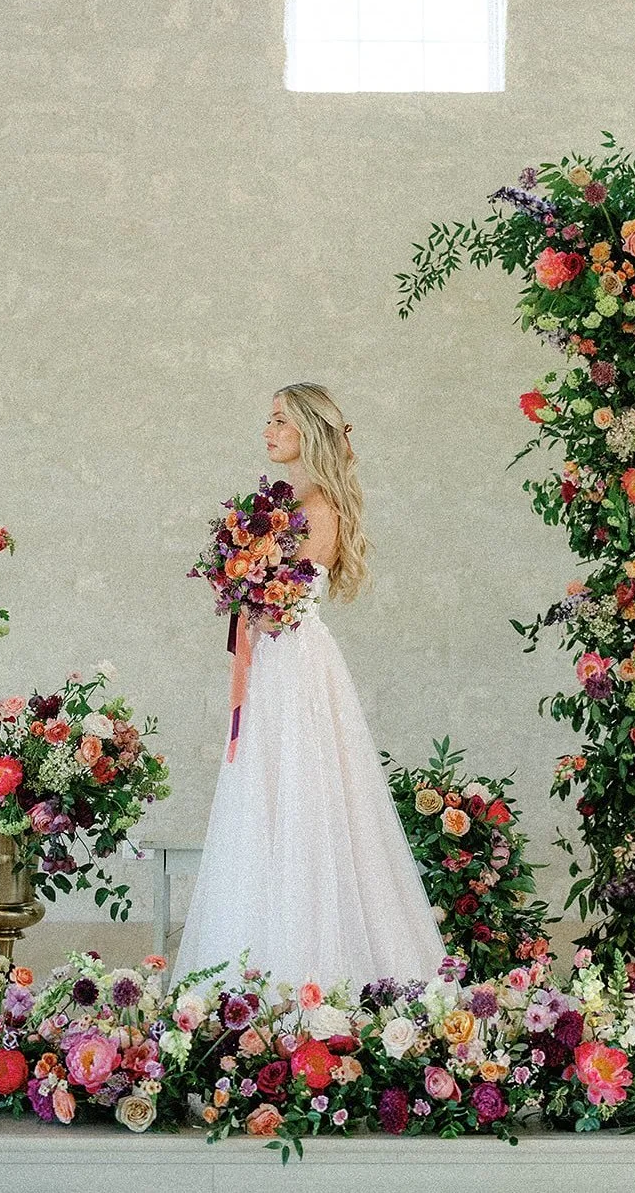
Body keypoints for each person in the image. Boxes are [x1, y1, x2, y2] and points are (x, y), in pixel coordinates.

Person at [171, 383, 447, 993]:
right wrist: (239, 568)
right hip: (271, 664)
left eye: (279, 422)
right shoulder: (286, 503)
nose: (267, 430)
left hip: (294, 666)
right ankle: (256, 953)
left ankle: (312, 970)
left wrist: (244, 577)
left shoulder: (319, 508)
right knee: (264, 794)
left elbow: (284, 602)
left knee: (303, 794)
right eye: (267, 419)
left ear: (309, 433)